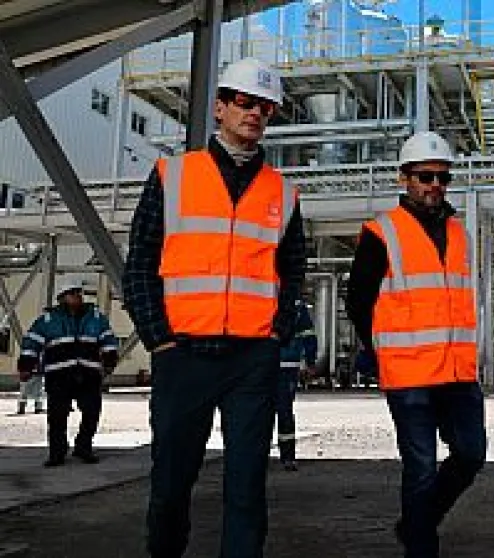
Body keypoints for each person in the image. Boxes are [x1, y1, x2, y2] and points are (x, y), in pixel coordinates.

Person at [122, 57, 305, 558]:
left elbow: (293, 274)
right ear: (220, 107)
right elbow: (139, 264)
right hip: (183, 356)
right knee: (170, 488)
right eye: (245, 102)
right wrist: (160, 339)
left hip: (252, 360)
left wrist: (275, 334)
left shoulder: (283, 193)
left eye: (266, 107)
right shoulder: (172, 175)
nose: (256, 113)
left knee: (247, 490)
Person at [346, 131, 486, 558]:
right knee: (421, 468)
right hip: (409, 375)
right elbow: (358, 302)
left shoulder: (459, 233)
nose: (435, 186)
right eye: (425, 177)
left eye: (443, 178)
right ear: (404, 178)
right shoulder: (381, 232)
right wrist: (382, 352)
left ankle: (414, 524)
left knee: (471, 453)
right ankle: (422, 547)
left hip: (458, 372)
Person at [18, 281, 118, 466]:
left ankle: (83, 447)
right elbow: (31, 343)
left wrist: (110, 360)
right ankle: (57, 453)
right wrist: (26, 366)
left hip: (88, 374)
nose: (77, 296)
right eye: (72, 293)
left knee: (91, 412)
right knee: (57, 416)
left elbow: (108, 339)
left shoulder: (96, 317)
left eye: (78, 293)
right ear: (62, 297)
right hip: (59, 376)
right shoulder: (48, 320)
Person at [276, 299, 317, 471]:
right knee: (285, 411)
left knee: (259, 412)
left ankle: (255, 455)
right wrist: (310, 362)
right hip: (287, 364)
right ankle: (288, 457)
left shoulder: (260, 300)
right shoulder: (297, 306)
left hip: (262, 365)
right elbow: (309, 336)